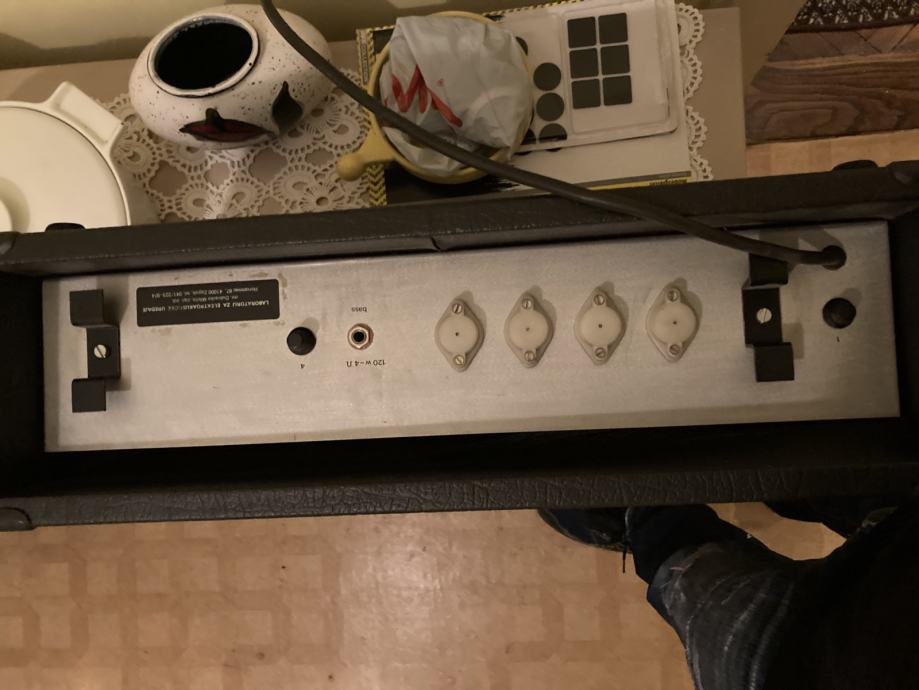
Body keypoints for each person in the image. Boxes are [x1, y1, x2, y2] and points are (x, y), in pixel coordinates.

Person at [538, 495, 919, 690]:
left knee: (684, 563)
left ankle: (638, 508)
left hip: (806, 666)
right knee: (867, 473)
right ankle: (793, 467)